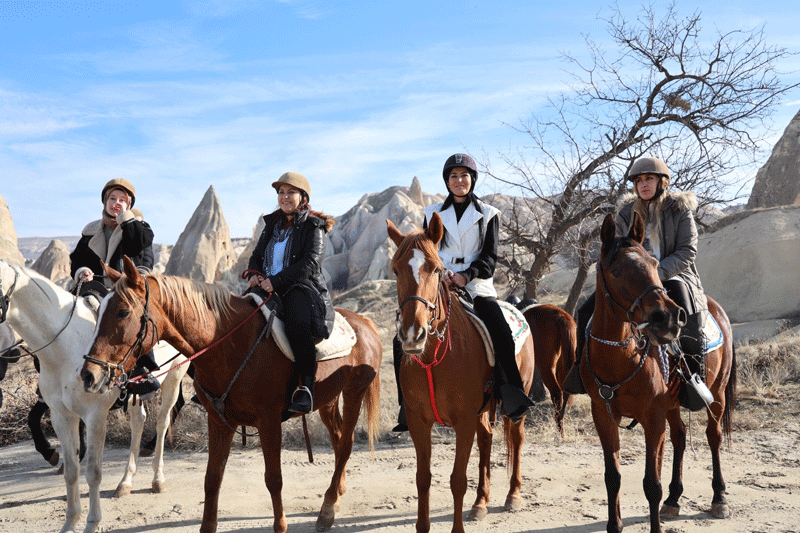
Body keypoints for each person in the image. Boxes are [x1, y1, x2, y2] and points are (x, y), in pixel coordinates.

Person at [392, 153, 534, 431]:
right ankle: (405, 407)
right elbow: (426, 251)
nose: (459, 181)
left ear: (472, 180)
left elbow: (490, 258)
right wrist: (441, 273)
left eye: (464, 176)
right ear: (447, 181)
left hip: (476, 285)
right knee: (402, 334)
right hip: (439, 285)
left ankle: (512, 394)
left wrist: (465, 275)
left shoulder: (489, 214)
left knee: (500, 329)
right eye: (454, 176)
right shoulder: (432, 212)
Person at [563, 156, 708, 394]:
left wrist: (656, 273)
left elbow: (687, 251)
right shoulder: (626, 213)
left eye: (649, 179)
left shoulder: (679, 209)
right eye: (639, 180)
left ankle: (693, 375)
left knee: (683, 305)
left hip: (674, 274)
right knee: (585, 310)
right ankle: (581, 367)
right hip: (634, 279)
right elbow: (617, 250)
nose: (643, 184)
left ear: (662, 181)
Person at [247, 172, 335, 415]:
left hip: (301, 288)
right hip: (268, 286)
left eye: (290, 192)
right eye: (281, 192)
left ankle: (306, 388)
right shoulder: (271, 225)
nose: (284, 197)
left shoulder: (313, 226)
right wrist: (254, 273)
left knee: (297, 322)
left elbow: (310, 263)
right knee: (239, 316)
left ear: (303, 197)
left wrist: (276, 281)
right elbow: (256, 255)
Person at [69, 178, 159, 397]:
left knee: (134, 318)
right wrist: (81, 271)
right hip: (95, 284)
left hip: (124, 287)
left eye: (122, 200)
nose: (116, 203)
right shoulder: (90, 231)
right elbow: (77, 259)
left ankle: (141, 373)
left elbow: (138, 245)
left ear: (129, 204)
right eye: (112, 199)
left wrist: (126, 218)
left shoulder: (138, 227)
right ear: (104, 201)